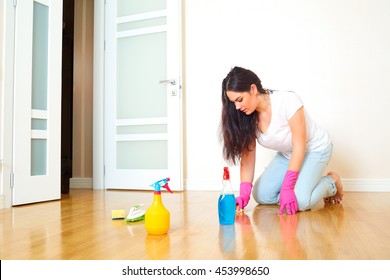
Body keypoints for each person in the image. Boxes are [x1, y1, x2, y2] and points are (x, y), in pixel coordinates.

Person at [220, 66, 344, 215]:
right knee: (261, 195)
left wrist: (288, 187)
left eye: (239, 100)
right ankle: (300, 191)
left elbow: (300, 145)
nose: (237, 107)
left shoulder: (288, 101)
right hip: (288, 154)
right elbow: (247, 158)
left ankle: (331, 181)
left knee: (301, 202)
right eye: (234, 102)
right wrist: (244, 193)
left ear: (252, 89)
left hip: (315, 150)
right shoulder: (247, 117)